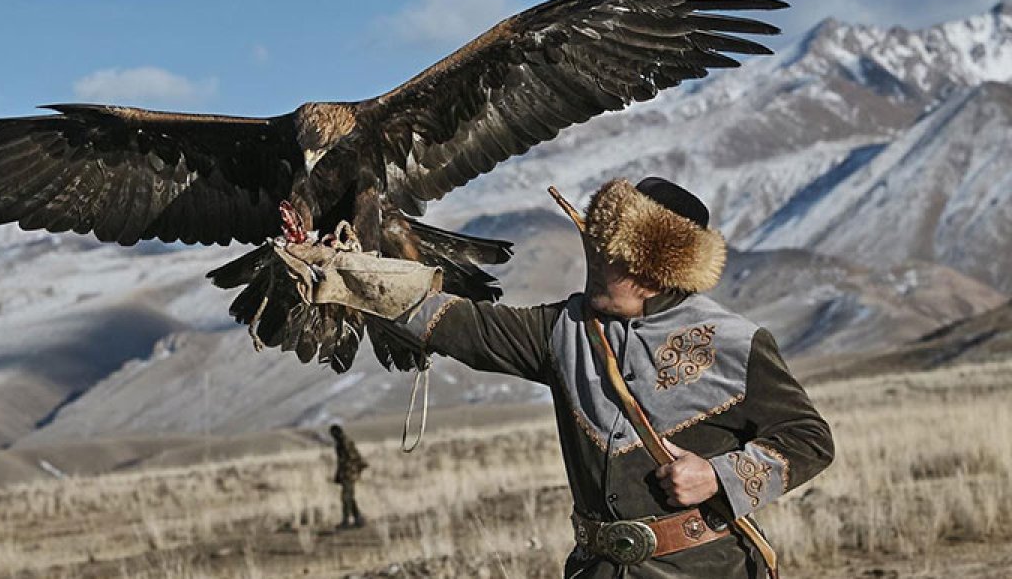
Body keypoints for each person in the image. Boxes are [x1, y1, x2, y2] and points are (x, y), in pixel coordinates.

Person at [292, 177, 834, 577]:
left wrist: (720, 477)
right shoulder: (564, 330)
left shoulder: (737, 344)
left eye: (612, 259)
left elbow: (810, 440)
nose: (593, 267)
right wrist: (343, 273)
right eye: (595, 250)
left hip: (706, 568)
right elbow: (458, 323)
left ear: (655, 273)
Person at [330, 424, 368, 528]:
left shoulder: (344, 442)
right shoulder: (341, 442)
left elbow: (352, 458)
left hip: (349, 474)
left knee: (346, 497)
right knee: (349, 497)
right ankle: (358, 519)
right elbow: (342, 461)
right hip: (347, 474)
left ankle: (346, 521)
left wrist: (353, 471)